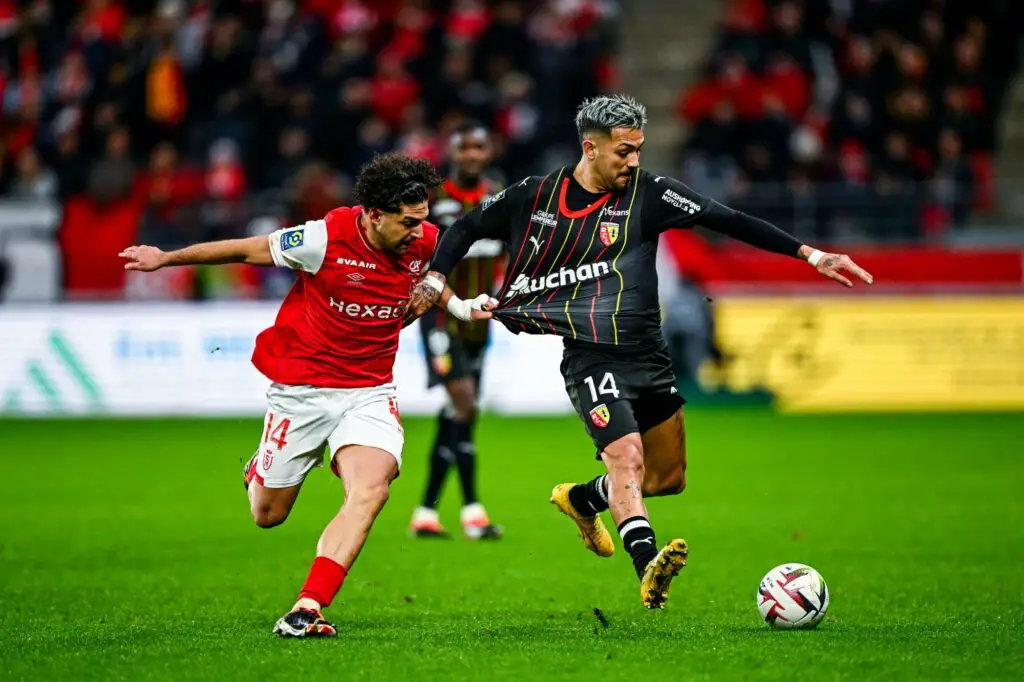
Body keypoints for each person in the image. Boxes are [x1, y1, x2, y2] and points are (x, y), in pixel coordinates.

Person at [405, 95, 873, 609]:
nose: (634, 161)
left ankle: (583, 498)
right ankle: (647, 565)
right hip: (590, 357)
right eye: (624, 151)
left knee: (666, 478)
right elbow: (466, 228)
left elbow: (726, 218)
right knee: (625, 455)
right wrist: (436, 277)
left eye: (638, 150)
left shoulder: (650, 194)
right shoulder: (536, 196)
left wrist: (811, 254)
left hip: (648, 356)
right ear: (591, 148)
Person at [119, 153, 494, 638]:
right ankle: (259, 470)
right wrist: (166, 257)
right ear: (374, 215)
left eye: (422, 220)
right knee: (268, 515)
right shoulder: (323, 238)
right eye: (408, 222)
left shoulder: (420, 239)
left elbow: (430, 276)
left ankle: (307, 606)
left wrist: (458, 306)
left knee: (371, 491)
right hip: (302, 392)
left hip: (368, 391)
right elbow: (248, 250)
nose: (418, 232)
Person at [410, 120, 504, 540]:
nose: (471, 155)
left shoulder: (499, 198)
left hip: (479, 322)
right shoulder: (434, 201)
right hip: (441, 319)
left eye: (478, 147)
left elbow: (513, 251)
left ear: (488, 152)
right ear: (452, 153)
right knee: (464, 404)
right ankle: (472, 511)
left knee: (456, 412)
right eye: (464, 148)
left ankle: (426, 513)